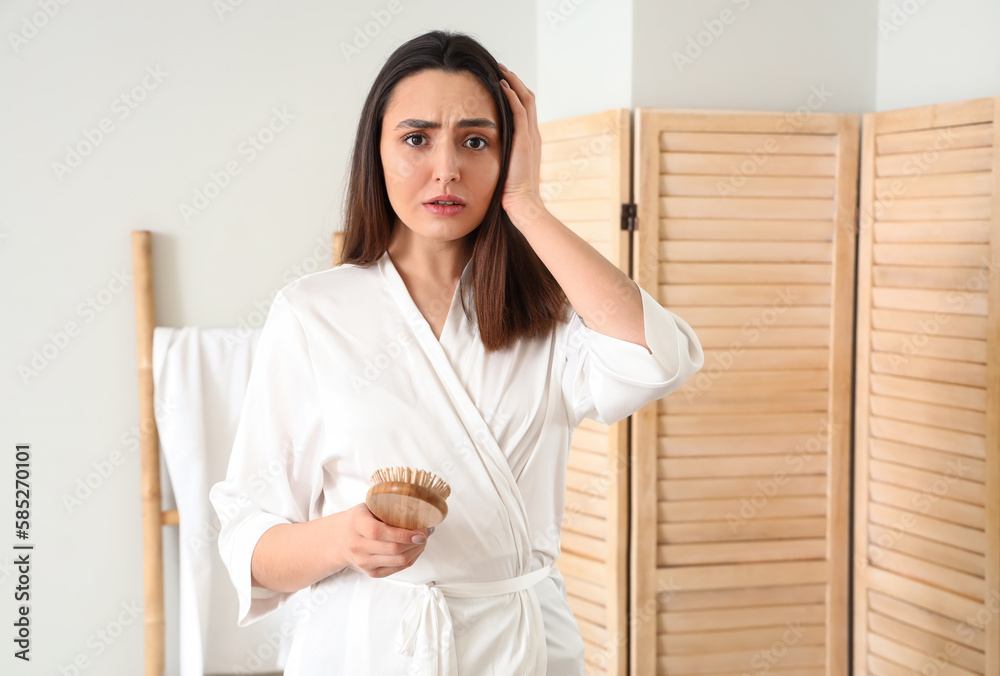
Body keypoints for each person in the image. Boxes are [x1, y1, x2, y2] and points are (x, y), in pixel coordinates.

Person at [209, 29, 703, 676]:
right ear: (376, 153)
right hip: (365, 646)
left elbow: (658, 359)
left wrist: (528, 205)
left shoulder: (548, 313)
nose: (446, 169)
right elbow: (251, 542)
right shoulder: (312, 314)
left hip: (521, 647)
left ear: (509, 156)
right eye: (416, 139)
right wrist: (344, 538)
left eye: (476, 141)